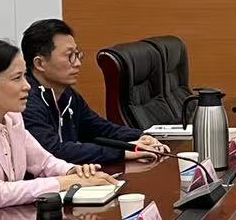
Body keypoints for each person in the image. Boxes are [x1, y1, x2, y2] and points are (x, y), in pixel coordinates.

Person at [0, 38, 120, 214]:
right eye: (17, 78)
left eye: (25, 76)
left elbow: (44, 163)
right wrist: (65, 182)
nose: (27, 85)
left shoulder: (11, 116)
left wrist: (74, 172)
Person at [20, 18, 169, 165]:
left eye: (77, 55)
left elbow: (100, 129)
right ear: (40, 63)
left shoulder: (68, 95)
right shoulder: (25, 101)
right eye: (69, 56)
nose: (77, 63)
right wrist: (123, 151)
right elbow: (53, 151)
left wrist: (142, 137)